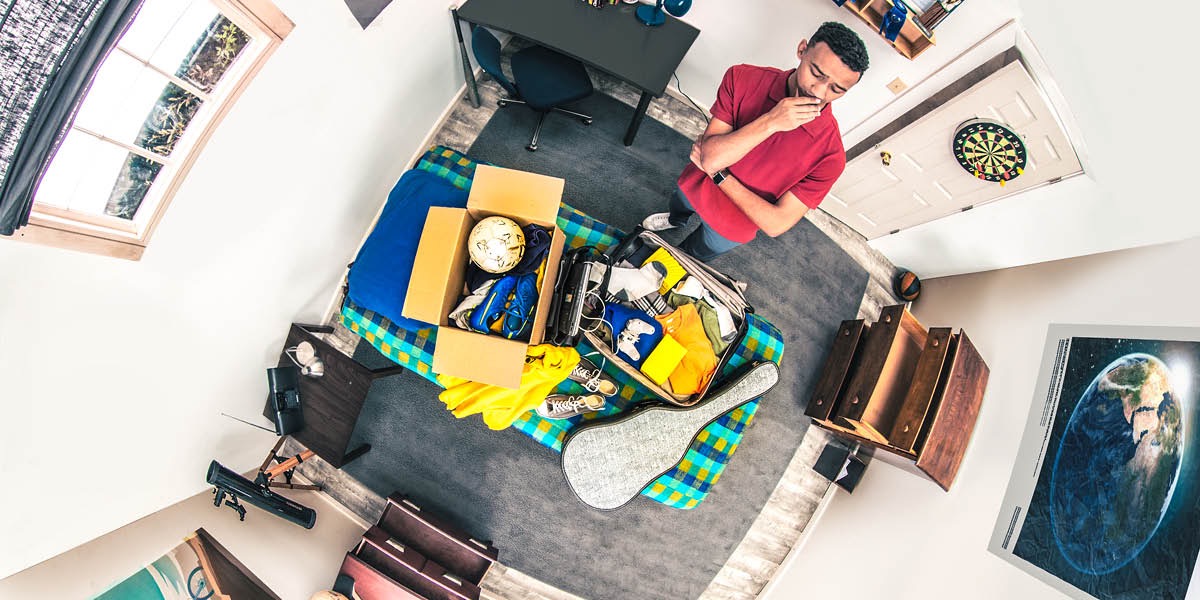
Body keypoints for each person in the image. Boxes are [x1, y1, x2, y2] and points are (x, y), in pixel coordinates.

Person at [642, 21, 869, 261]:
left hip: (732, 225)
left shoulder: (831, 156)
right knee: (678, 206)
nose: (820, 93)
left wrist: (719, 175)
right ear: (802, 50)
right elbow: (710, 157)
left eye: (837, 89)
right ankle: (676, 220)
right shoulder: (742, 77)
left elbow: (775, 223)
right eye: (816, 73)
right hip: (695, 185)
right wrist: (771, 121)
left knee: (690, 257)